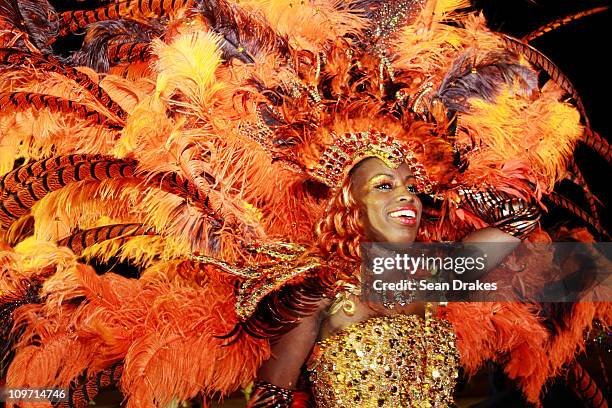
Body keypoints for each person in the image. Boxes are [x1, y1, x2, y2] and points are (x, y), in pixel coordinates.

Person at [0, 0, 609, 407]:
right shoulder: (316, 289)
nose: (408, 200)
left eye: (413, 187)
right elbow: (271, 395)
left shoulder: (418, 277)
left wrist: (458, 190)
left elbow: (519, 225)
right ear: (347, 205)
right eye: (384, 185)